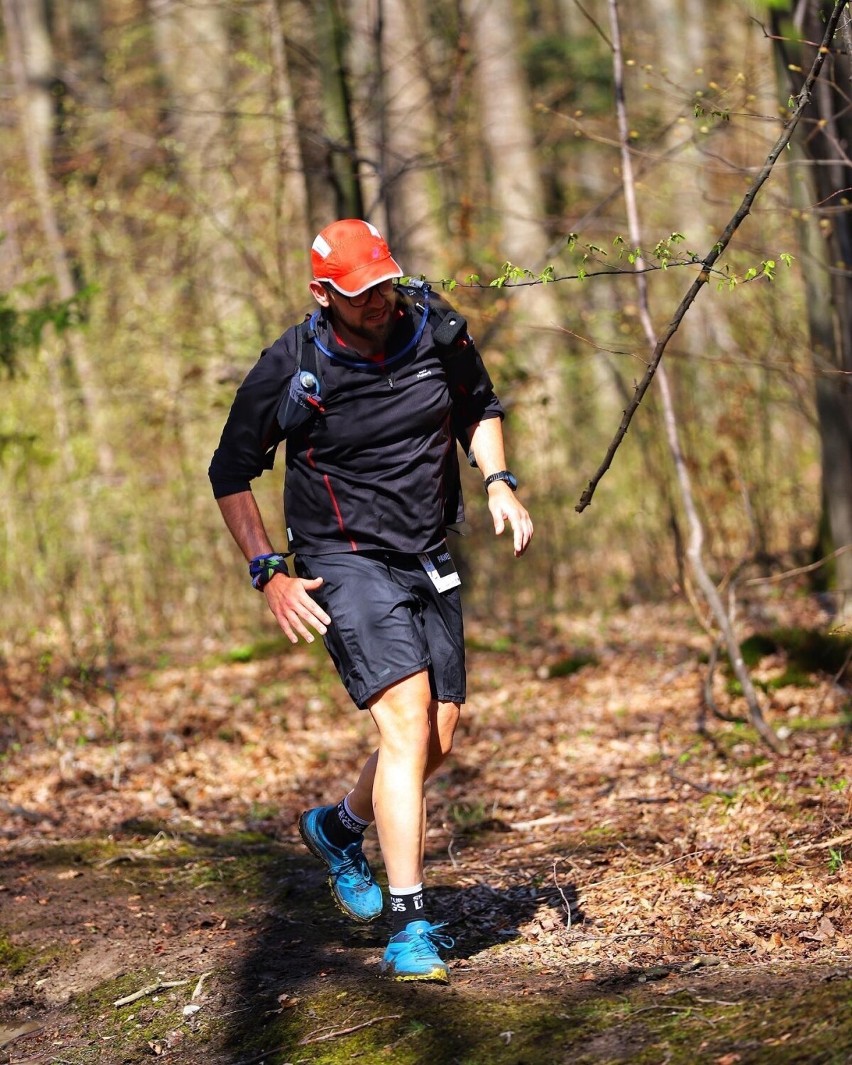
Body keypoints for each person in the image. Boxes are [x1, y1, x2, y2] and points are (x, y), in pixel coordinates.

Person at [208, 219, 533, 983]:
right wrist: (269, 570)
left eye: (386, 282)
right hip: (340, 561)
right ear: (323, 294)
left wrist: (498, 481)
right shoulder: (292, 365)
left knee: (438, 737)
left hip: (427, 553)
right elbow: (229, 471)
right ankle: (408, 923)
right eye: (361, 294)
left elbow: (479, 407)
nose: (380, 301)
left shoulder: (435, 328)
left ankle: (338, 826)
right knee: (405, 720)